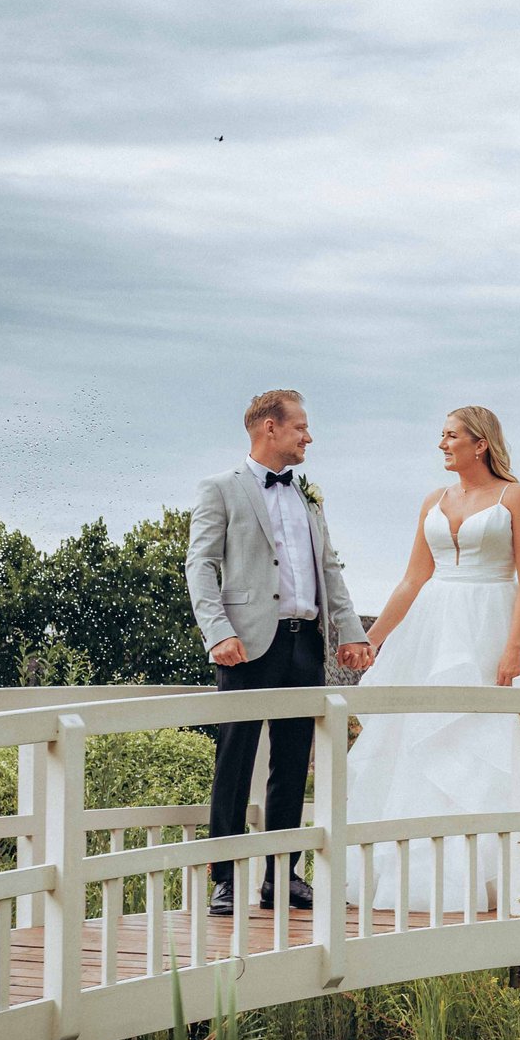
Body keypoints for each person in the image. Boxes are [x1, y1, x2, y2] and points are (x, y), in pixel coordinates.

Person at [345, 406, 520, 913]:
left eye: (450, 436)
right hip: (433, 630)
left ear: (480, 443)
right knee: (423, 742)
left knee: (492, 740)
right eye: (441, 437)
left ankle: (505, 879)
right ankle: (427, 878)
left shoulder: (516, 497)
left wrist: (513, 647)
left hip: (494, 620)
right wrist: (373, 639)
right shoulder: (434, 500)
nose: (442, 444)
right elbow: (413, 579)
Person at [185, 389, 375, 917]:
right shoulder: (220, 489)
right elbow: (199, 565)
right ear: (270, 428)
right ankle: (223, 878)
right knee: (236, 758)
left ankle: (281, 876)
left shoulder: (308, 497)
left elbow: (329, 569)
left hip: (304, 643)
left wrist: (351, 632)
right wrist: (217, 631)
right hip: (244, 645)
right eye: (301, 428)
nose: (308, 437)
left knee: (293, 765)